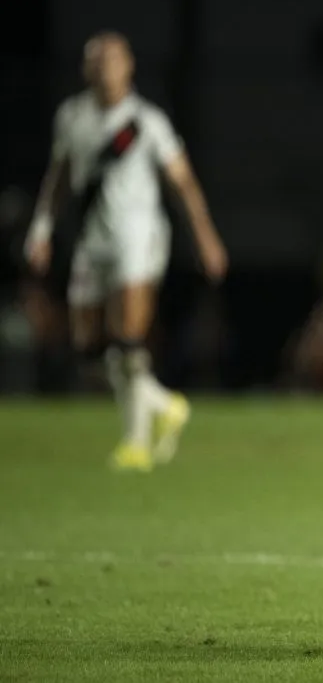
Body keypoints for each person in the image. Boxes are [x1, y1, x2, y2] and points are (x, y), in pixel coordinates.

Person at [24, 31, 228, 471]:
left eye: (113, 60)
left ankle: (136, 444)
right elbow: (58, 178)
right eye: (96, 60)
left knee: (128, 338)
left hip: (139, 238)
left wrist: (205, 237)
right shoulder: (72, 116)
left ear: (128, 66)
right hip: (92, 241)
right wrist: (40, 229)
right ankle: (163, 405)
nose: (104, 68)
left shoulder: (147, 121)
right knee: (87, 345)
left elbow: (183, 182)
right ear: (86, 69)